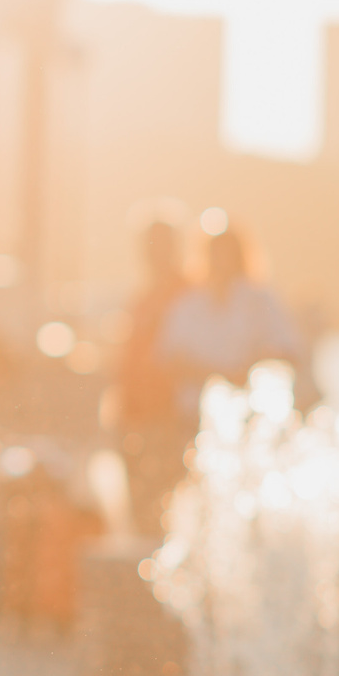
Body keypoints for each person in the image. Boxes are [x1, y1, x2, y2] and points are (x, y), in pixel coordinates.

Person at [154, 219, 306, 425]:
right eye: (216, 253)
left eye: (228, 253)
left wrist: (251, 368)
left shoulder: (261, 300)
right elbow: (169, 359)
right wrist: (218, 375)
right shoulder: (188, 305)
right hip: (194, 416)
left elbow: (289, 350)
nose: (222, 261)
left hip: (254, 416)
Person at [108, 211, 192, 537]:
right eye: (148, 245)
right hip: (135, 412)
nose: (151, 253)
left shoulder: (186, 294)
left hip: (170, 414)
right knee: (141, 508)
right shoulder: (142, 295)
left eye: (159, 244)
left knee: (165, 504)